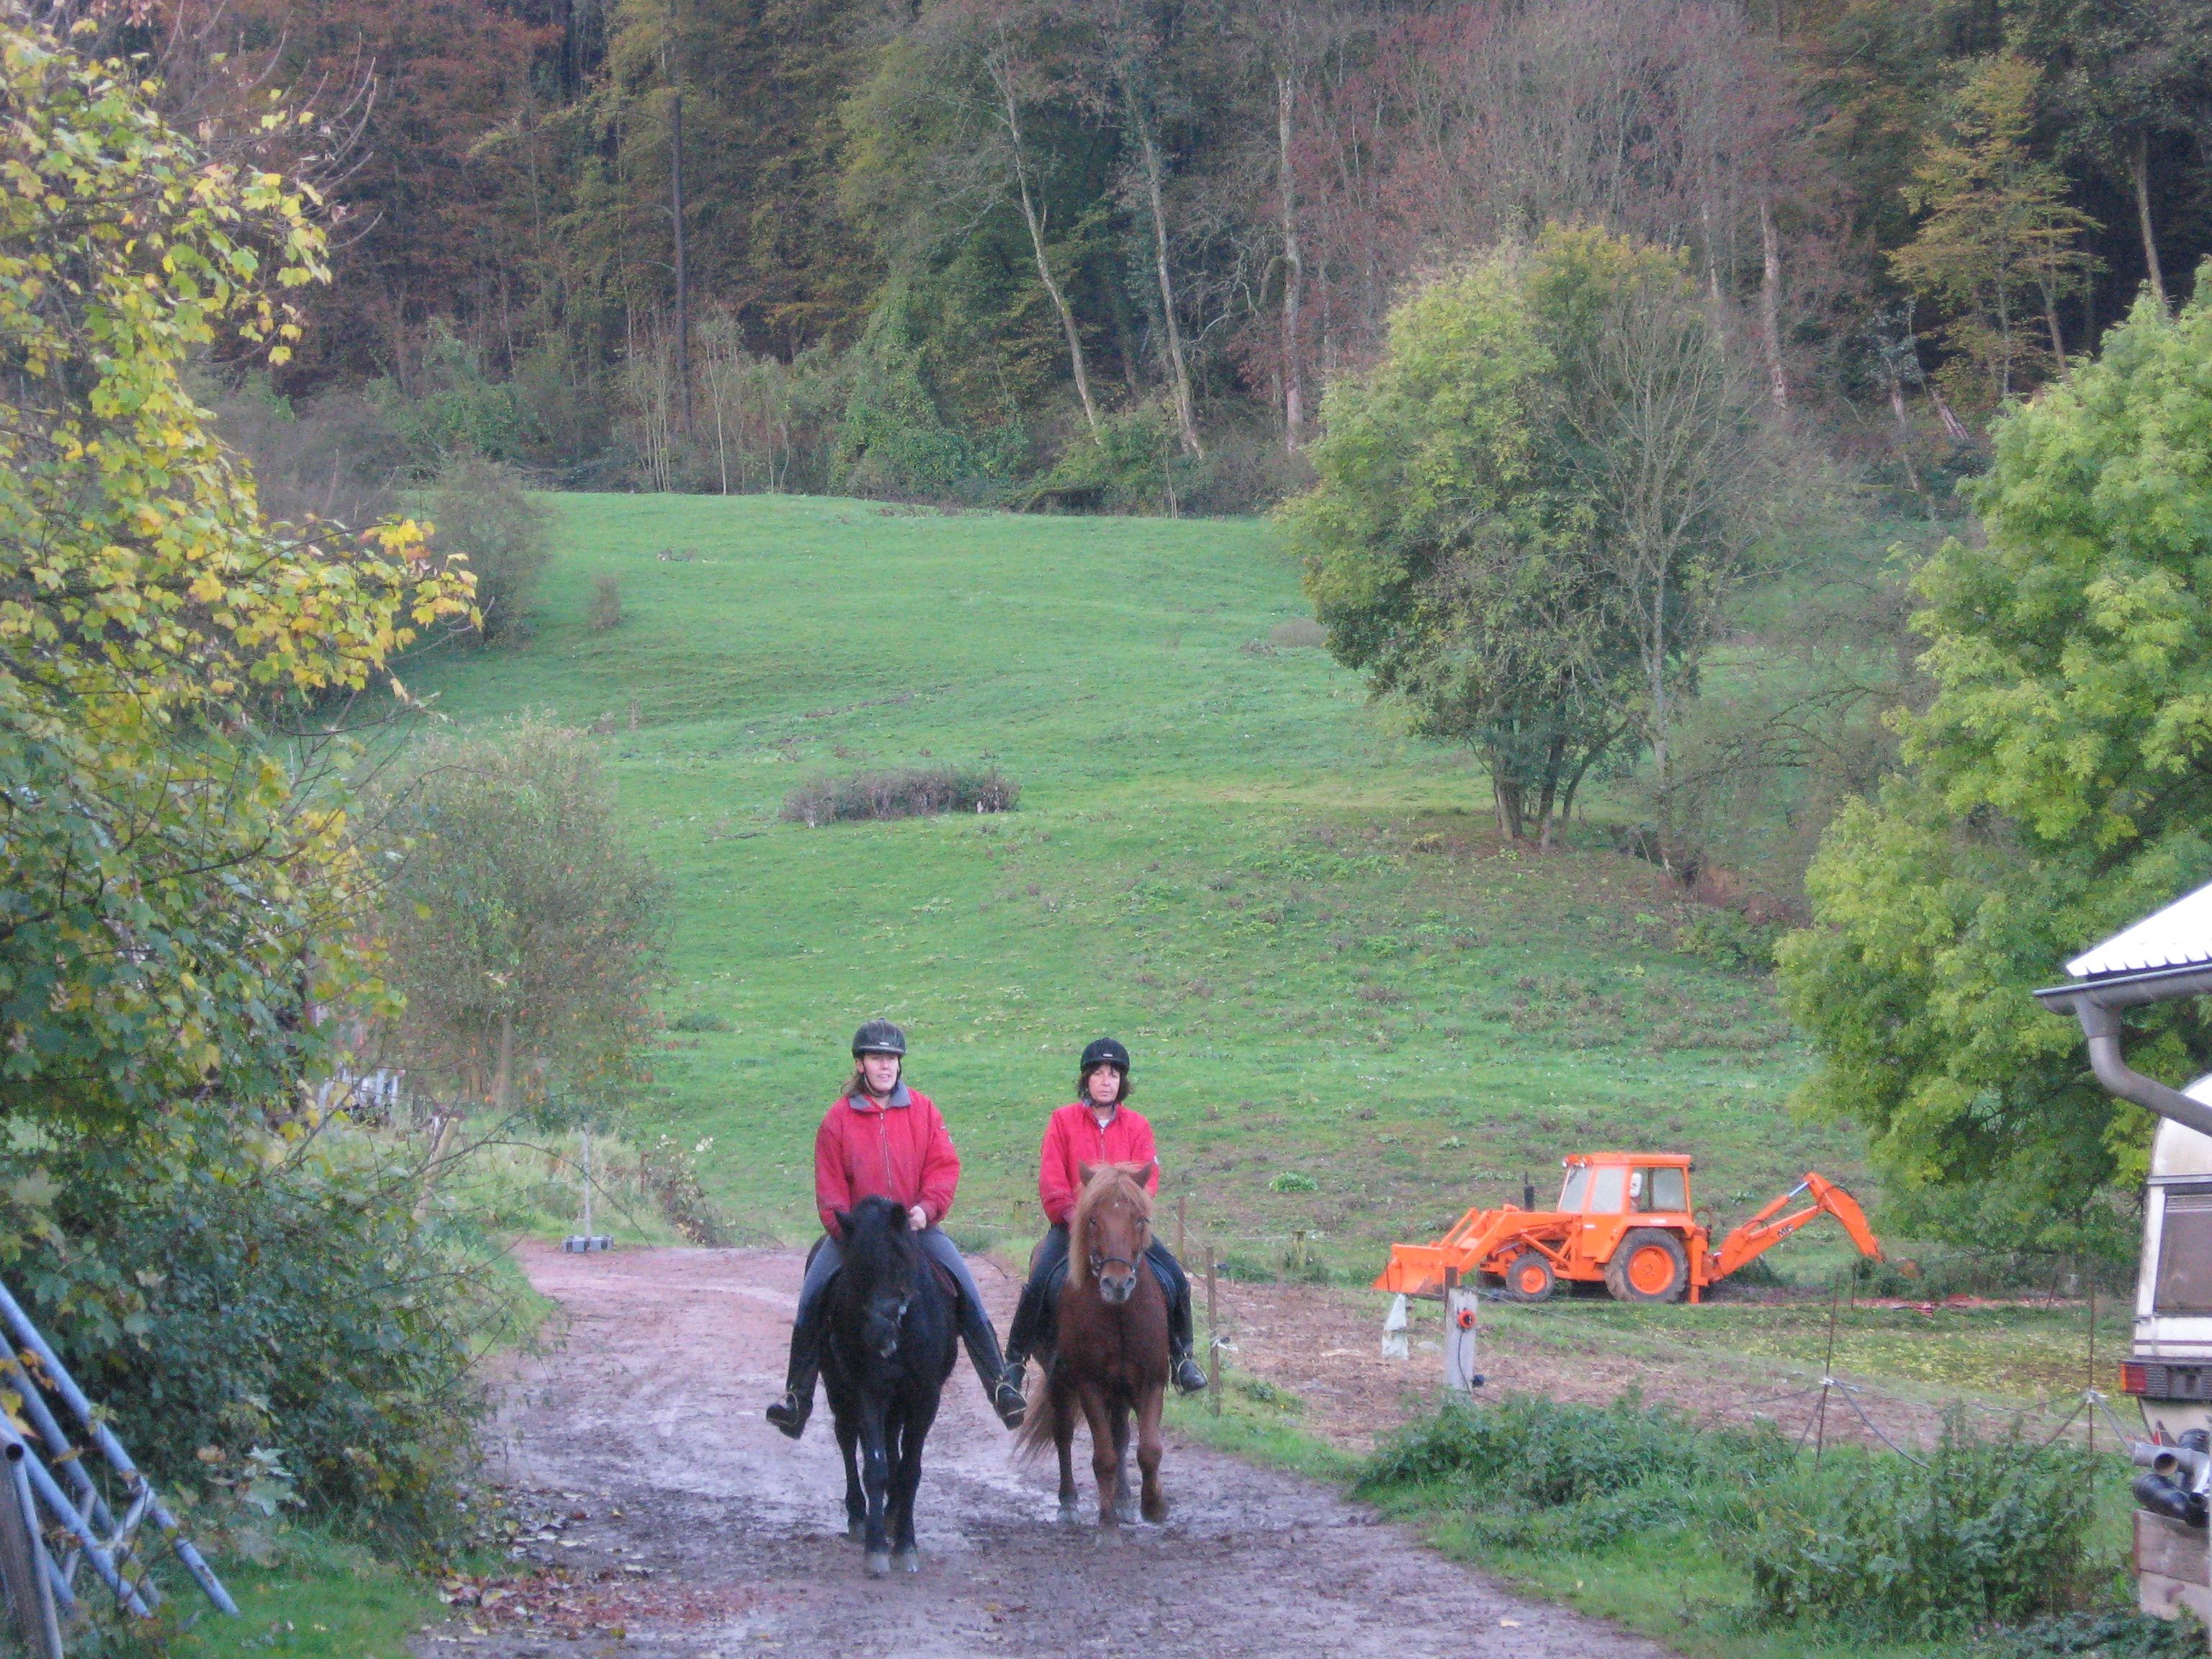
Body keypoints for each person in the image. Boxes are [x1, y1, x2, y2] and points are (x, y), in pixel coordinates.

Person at [766, 1020, 1028, 1438]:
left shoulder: (924, 1111)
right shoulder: (836, 1120)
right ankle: (797, 1397)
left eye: (892, 1058)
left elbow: (944, 1168)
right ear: (861, 1064)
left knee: (966, 1287)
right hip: (857, 1240)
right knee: (813, 1295)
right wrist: (851, 1232)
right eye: (876, 1058)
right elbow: (830, 1190)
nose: (885, 1066)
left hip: (915, 1229)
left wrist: (927, 1209)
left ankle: (999, 1386)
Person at [1001, 1038, 1209, 1396]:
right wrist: (1074, 1215)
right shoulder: (1062, 1121)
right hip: (1072, 1226)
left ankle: (1182, 1358)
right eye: (1098, 1073)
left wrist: (1131, 1214)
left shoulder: (1138, 1126)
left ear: (1122, 1081)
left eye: (1113, 1074)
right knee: (1039, 1281)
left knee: (1175, 1277)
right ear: (1086, 1079)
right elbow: (1051, 1178)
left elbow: (1148, 1177)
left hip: (1125, 1230)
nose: (1106, 1081)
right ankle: (1014, 1364)